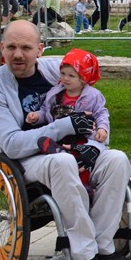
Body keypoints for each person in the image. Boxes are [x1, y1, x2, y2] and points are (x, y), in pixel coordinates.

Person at [0, 21, 131, 260]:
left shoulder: (58, 70)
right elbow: (12, 143)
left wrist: (95, 146)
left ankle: (103, 246)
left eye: (26, 48)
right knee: (61, 162)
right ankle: (83, 253)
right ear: (2, 48)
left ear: (39, 50)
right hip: (28, 159)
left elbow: (94, 110)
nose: (18, 54)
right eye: (12, 47)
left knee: (117, 160)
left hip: (76, 147)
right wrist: (63, 126)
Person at [29, 49, 110, 189]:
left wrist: (102, 128)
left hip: (81, 138)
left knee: (82, 159)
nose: (65, 78)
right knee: (47, 143)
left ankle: (83, 185)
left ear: (83, 78)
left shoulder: (93, 96)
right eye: (63, 74)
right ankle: (57, 150)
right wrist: (37, 116)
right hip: (60, 136)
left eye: (71, 76)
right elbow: (46, 110)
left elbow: (101, 113)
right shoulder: (56, 92)